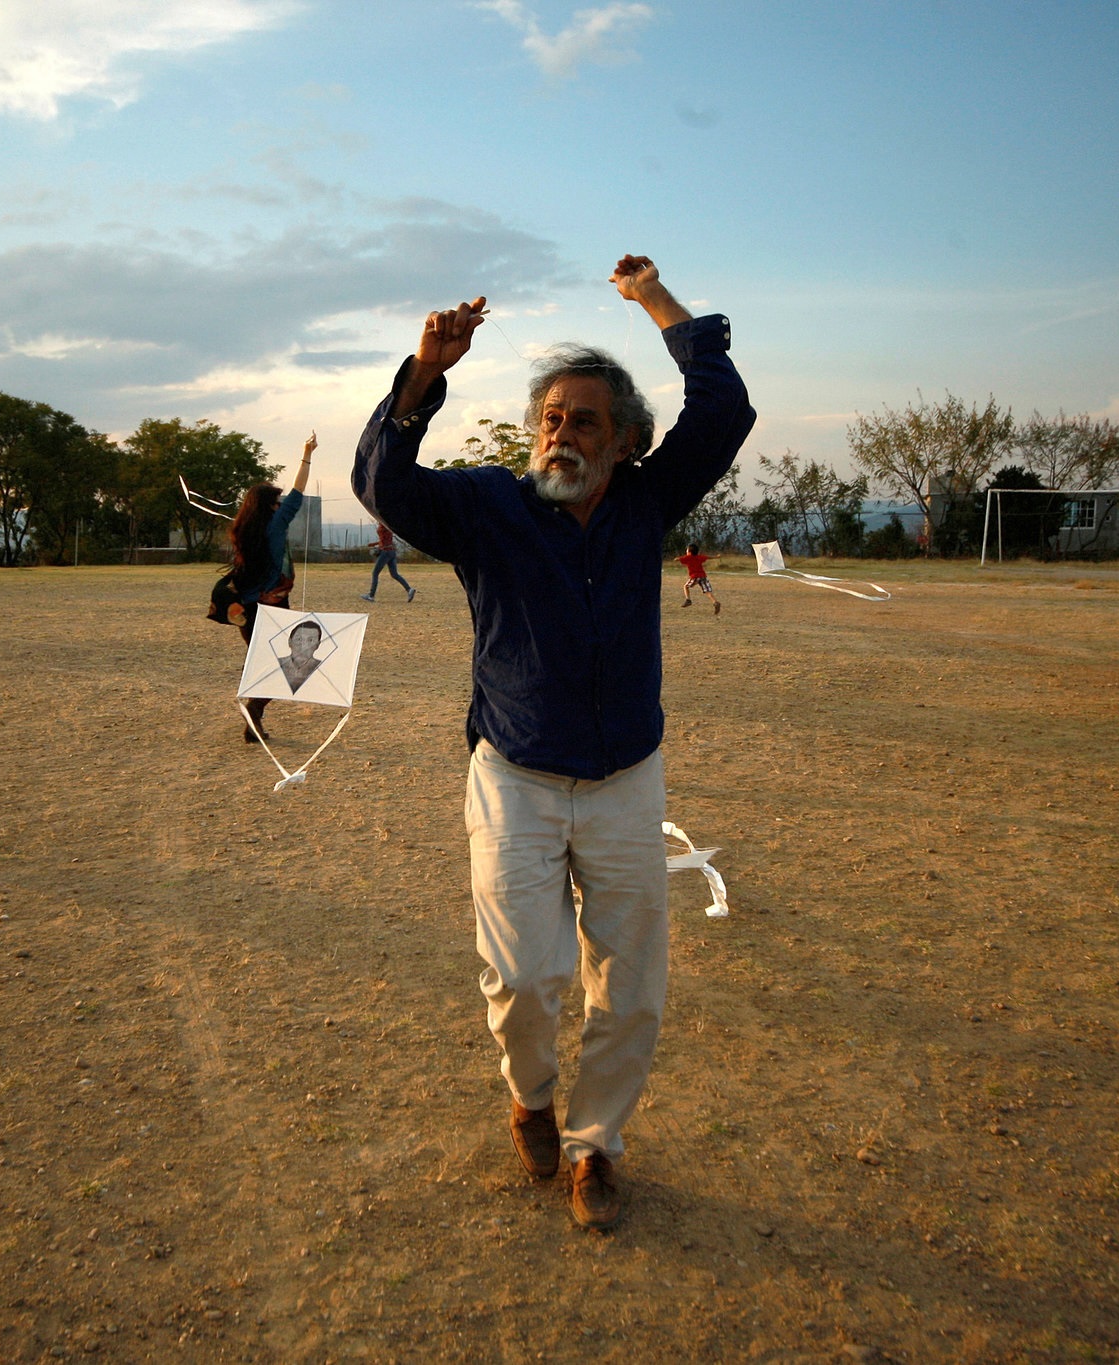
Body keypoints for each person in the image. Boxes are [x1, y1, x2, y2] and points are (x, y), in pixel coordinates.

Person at [352, 254, 754, 1230]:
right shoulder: (488, 507)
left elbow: (724, 410)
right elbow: (382, 481)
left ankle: (594, 1147)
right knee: (526, 977)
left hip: (625, 781)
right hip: (514, 779)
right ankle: (530, 1098)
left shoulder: (646, 502)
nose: (561, 433)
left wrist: (655, 302)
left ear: (624, 442)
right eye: (550, 418)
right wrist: (424, 372)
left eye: (583, 421)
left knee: (631, 990)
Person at [223, 434, 315, 743]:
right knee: (292, 664)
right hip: (272, 608)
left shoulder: (242, 530)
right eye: (276, 502)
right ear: (268, 507)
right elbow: (298, 492)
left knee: (272, 663)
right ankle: (254, 711)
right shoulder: (275, 526)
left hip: (247, 610)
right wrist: (307, 454)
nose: (280, 506)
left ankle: (254, 721)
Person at [361, 523, 414, 602]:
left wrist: (378, 546)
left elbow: (383, 540)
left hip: (385, 552)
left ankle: (371, 595)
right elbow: (386, 540)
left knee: (375, 573)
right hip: (391, 551)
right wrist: (375, 544)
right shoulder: (388, 525)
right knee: (394, 574)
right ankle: (409, 589)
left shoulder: (383, 525)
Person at [277, 620, 325, 692]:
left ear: (317, 645)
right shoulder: (276, 664)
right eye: (299, 639)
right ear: (290, 642)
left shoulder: (323, 668)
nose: (303, 646)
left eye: (310, 640)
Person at [676, 542, 720, 614]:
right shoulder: (699, 557)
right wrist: (716, 557)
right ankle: (715, 602)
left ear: (689, 552)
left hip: (695, 576)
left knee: (686, 586)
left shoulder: (688, 557)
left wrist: (676, 559)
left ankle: (688, 600)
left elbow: (679, 559)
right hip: (703, 576)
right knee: (707, 591)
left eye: (687, 550)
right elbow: (708, 557)